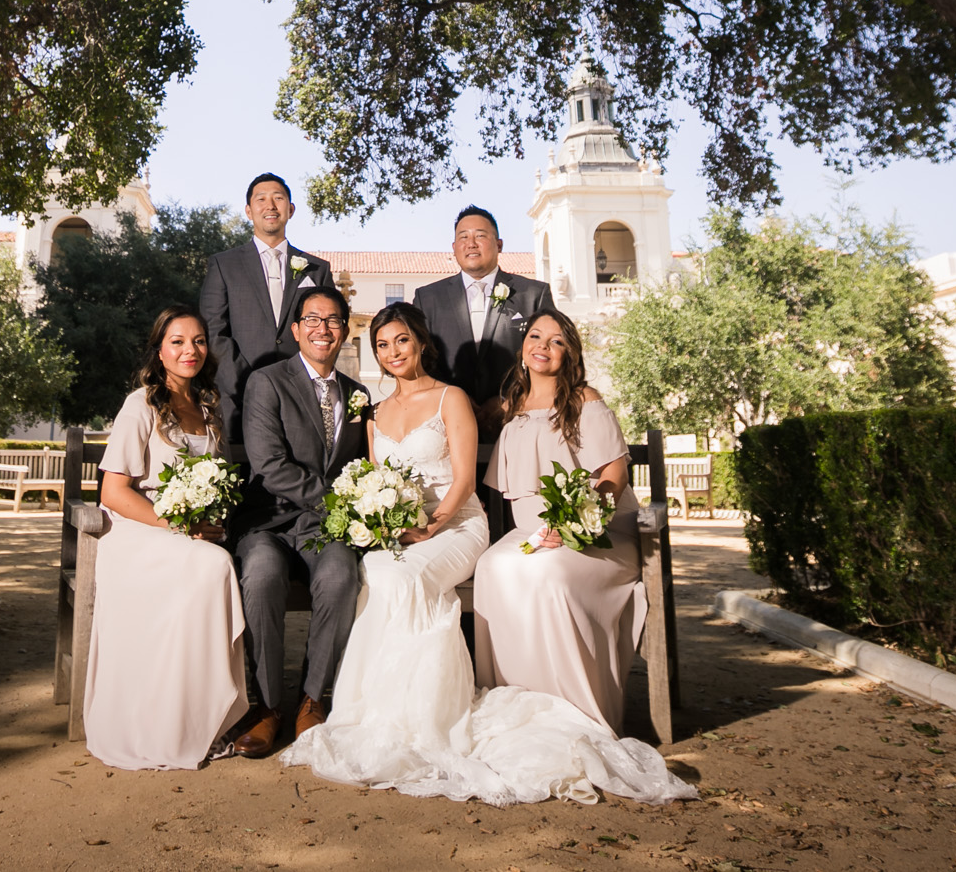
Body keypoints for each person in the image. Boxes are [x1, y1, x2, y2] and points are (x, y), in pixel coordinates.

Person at [281, 304, 691, 806]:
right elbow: (376, 477)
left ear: (422, 343)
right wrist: (384, 523)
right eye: (382, 345)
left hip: (465, 524)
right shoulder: (390, 409)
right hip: (425, 529)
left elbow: (472, 482)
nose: (392, 352)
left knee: (437, 578)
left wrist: (430, 527)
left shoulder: (499, 398)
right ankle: (379, 714)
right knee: (395, 572)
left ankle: (479, 711)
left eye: (402, 341)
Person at [82, 306, 247, 770]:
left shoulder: (209, 405)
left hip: (190, 534)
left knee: (213, 562)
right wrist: (178, 526)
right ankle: (173, 724)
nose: (189, 350)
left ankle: (204, 717)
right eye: (177, 341)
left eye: (198, 341)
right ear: (159, 350)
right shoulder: (141, 405)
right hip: (139, 532)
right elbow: (113, 492)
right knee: (213, 565)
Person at [472, 308, 645, 733]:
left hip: (595, 536)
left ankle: (570, 713)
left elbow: (615, 476)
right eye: (535, 336)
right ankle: (514, 704)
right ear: (523, 347)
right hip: (530, 534)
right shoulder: (511, 405)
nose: (543, 347)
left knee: (548, 574)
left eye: (556, 341)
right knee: (493, 567)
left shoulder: (585, 400)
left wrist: (574, 527)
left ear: (569, 353)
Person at [227, 284, 369, 758]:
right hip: (268, 520)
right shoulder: (266, 382)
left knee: (339, 576)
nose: (321, 328)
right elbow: (269, 465)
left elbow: (363, 466)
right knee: (263, 576)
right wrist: (340, 503)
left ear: (345, 331)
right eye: (311, 319)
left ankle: (313, 698)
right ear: (295, 329)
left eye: (332, 320)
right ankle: (265, 707)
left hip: (324, 529)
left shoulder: (359, 395)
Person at [200, 172, 337, 444]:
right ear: (249, 211)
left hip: (303, 397)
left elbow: (328, 329)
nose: (270, 206)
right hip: (239, 399)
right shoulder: (223, 265)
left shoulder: (317, 269)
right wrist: (248, 384)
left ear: (291, 209)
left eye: (278, 198)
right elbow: (213, 329)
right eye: (261, 199)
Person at [412, 206, 550, 438]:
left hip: (520, 424)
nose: (471, 243)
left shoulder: (534, 294)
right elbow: (418, 362)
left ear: (499, 245)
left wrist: (512, 400)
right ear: (454, 248)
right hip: (447, 428)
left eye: (480, 236)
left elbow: (554, 356)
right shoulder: (428, 298)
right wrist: (453, 399)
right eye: (463, 237)